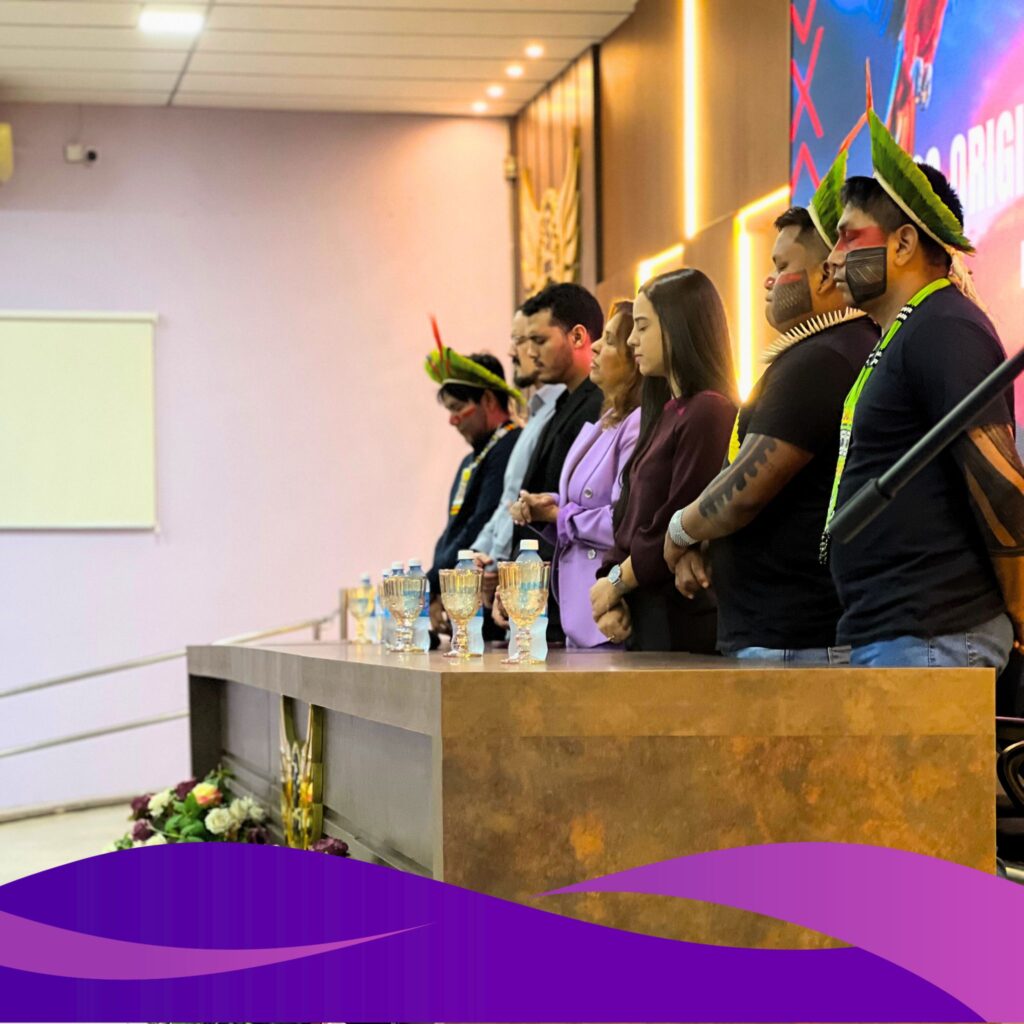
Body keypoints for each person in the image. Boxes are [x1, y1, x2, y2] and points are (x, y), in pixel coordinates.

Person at [823, 109, 1024, 669]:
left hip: (934, 637)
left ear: (904, 243)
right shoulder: (908, 331)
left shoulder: (944, 326)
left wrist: (1020, 610)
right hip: (899, 635)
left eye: (848, 237)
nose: (832, 258)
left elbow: (999, 482)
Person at [663, 152, 879, 664]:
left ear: (825, 276)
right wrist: (705, 543)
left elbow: (747, 487)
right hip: (781, 633)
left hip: (796, 638)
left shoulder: (824, 358)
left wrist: (680, 531)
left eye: (782, 267)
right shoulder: (818, 351)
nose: (768, 281)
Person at [589, 269, 737, 652]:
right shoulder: (666, 411)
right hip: (646, 612)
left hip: (681, 617)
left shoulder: (709, 411)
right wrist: (611, 589)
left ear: (677, 328)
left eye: (642, 327)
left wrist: (617, 583)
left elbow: (677, 521)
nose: (632, 340)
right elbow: (628, 517)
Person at [510, 300, 642, 648]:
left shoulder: (637, 422)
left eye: (609, 341)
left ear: (636, 358)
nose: (596, 347)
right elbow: (581, 499)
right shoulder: (607, 418)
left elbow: (624, 519)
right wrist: (549, 505)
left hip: (609, 610)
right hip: (578, 613)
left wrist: (560, 515)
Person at [512, 282, 606, 641]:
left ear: (578, 337)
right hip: (543, 592)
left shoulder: (600, 405)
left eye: (539, 341)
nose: (530, 353)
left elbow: (592, 505)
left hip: (574, 595)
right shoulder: (563, 404)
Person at [423, 343, 522, 627]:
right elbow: (454, 530)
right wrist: (438, 585)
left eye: (458, 408)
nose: (452, 420)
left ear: (488, 400)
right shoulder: (472, 459)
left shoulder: (509, 447)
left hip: (489, 604)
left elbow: (481, 522)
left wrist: (433, 583)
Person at [469, 307, 565, 569]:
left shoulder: (559, 413)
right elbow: (508, 502)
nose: (514, 352)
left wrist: (498, 563)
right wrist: (478, 555)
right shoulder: (536, 414)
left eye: (526, 340)